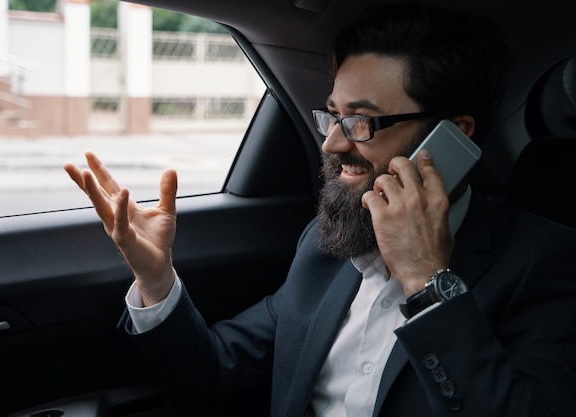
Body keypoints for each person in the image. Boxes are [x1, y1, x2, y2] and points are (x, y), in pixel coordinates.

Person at [63, 2, 576, 416]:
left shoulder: (544, 264)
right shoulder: (324, 247)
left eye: (361, 122)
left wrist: (427, 282)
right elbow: (213, 378)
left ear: (451, 136)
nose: (331, 144)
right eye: (332, 116)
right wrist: (157, 280)